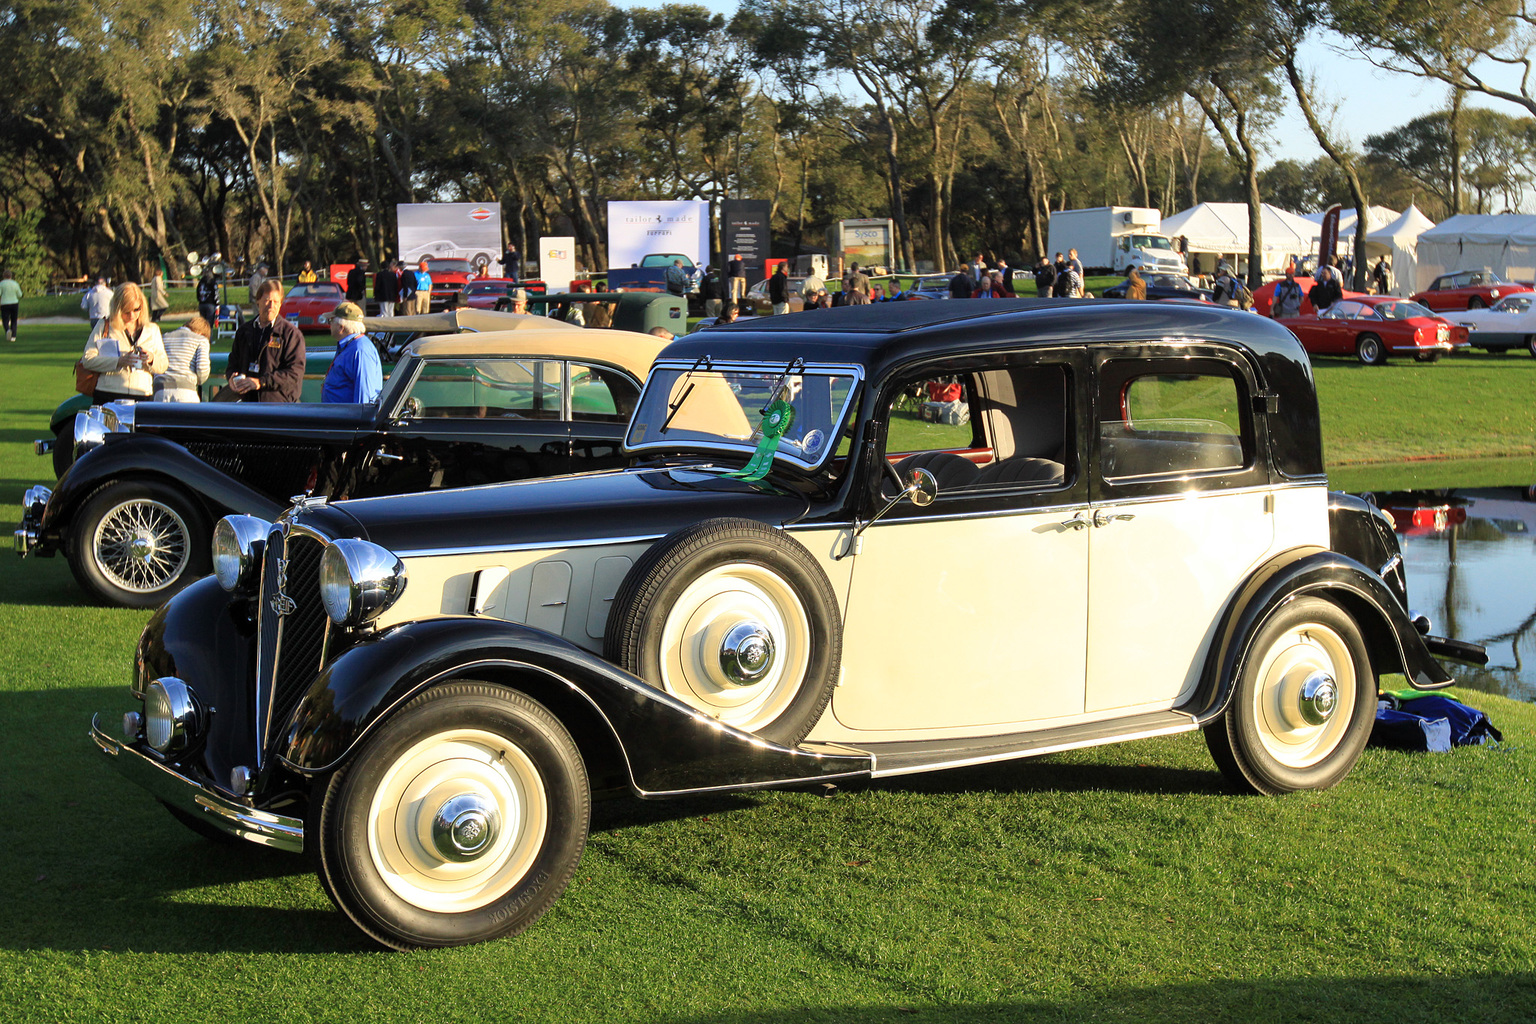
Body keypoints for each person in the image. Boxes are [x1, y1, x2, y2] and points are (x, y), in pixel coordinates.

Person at [80, 282, 167, 405]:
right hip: (108, 393)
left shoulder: (152, 329)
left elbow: (163, 365)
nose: (132, 315)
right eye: (126, 311)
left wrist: (151, 359)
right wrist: (119, 362)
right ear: (117, 308)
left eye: (136, 309)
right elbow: (88, 359)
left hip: (142, 394)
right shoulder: (104, 326)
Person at [227, 279, 305, 402]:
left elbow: (294, 373)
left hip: (279, 406)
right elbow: (233, 363)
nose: (271, 306)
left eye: (276, 302)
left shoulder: (290, 334)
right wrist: (231, 378)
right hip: (248, 404)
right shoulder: (244, 332)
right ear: (258, 301)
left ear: (280, 304)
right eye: (267, 301)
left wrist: (260, 382)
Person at [321, 302, 382, 404]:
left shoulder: (360, 350)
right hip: (339, 415)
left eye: (331, 321)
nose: (329, 325)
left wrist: (357, 419)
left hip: (347, 417)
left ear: (341, 327)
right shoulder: (350, 346)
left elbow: (364, 397)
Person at [153, 315, 212, 402]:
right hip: (185, 391)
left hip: (160, 390)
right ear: (201, 333)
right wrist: (199, 381)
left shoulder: (163, 337)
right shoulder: (201, 340)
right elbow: (202, 368)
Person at [0, 269, 22, 342]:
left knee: (5, 319)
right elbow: (20, 294)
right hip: (14, 303)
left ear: (4, 276)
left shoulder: (1, 284)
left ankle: (7, 329)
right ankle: (13, 336)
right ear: (11, 276)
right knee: (14, 320)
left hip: (5, 303)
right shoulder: (15, 283)